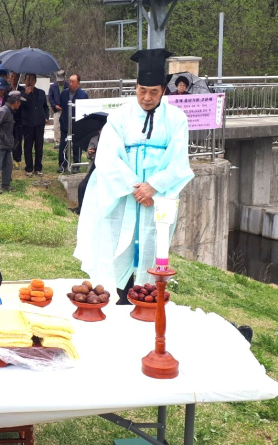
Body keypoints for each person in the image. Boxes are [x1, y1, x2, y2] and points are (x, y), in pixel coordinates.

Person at [73, 48, 195, 305]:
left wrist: (153, 186)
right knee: (117, 243)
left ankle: (146, 298)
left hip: (157, 197)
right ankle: (114, 295)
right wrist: (134, 187)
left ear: (163, 90)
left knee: (152, 244)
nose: (147, 97)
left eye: (153, 92)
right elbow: (107, 157)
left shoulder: (177, 119)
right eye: (142, 90)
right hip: (123, 194)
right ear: (135, 87)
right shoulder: (119, 117)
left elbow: (178, 161)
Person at [0, 91, 24, 194]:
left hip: (6, 143)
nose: (20, 104)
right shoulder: (3, 111)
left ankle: (5, 184)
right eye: (19, 102)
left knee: (8, 165)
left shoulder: (10, 111)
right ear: (15, 102)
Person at [58, 74, 89, 173]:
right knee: (63, 145)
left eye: (73, 82)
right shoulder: (64, 93)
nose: (70, 83)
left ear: (78, 83)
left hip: (77, 124)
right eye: (69, 81)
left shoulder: (83, 95)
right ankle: (63, 164)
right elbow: (62, 106)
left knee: (77, 146)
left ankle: (76, 164)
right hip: (65, 123)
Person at [20, 73, 49, 177]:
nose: (30, 81)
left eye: (32, 79)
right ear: (24, 81)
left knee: (39, 146)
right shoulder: (21, 94)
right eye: (28, 79)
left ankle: (38, 167)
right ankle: (29, 168)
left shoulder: (41, 93)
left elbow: (45, 106)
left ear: (35, 81)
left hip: (39, 123)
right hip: (27, 124)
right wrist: (26, 94)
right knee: (28, 146)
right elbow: (20, 106)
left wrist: (46, 116)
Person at [8, 71, 25, 170]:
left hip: (19, 119)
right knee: (8, 140)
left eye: (15, 77)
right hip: (9, 118)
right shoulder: (7, 90)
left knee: (18, 140)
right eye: (12, 77)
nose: (13, 78)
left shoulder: (22, 90)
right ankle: (8, 159)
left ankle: (17, 159)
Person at [48, 70, 67, 148]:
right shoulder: (53, 86)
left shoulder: (68, 85)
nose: (60, 82)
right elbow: (50, 97)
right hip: (57, 109)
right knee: (56, 126)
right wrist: (54, 105)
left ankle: (66, 140)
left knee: (67, 125)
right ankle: (57, 142)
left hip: (66, 109)